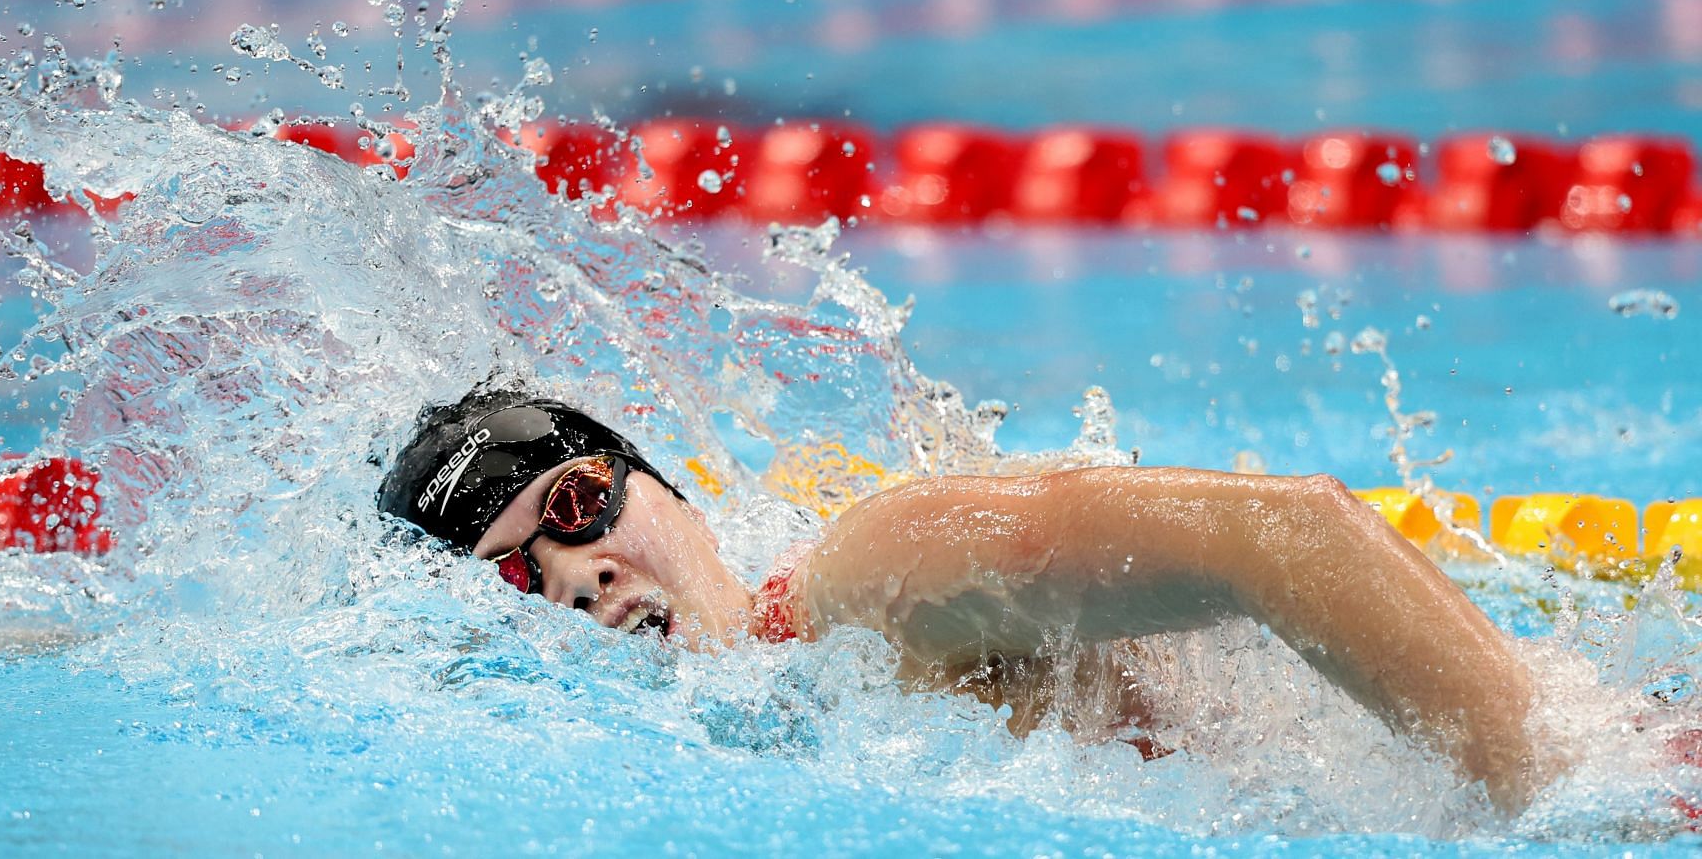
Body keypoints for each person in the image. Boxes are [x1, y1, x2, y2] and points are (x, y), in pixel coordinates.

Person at [377, 387, 1555, 816]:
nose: (580, 576)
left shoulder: (873, 580)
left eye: (576, 507)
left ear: (658, 484)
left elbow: (1286, 530)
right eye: (521, 574)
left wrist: (1555, 785)